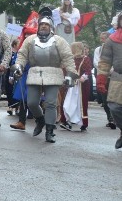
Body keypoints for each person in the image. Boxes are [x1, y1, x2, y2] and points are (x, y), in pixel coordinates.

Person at [13, 8, 77, 144]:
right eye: (41, 24)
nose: (43, 26)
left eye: (46, 25)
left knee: (51, 103)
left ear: (51, 27)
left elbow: (68, 58)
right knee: (31, 102)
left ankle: (49, 130)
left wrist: (71, 74)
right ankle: (40, 119)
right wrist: (18, 66)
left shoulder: (59, 41)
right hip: (35, 73)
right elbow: (22, 55)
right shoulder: (30, 40)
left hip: (53, 73)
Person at [96, 13, 122, 149]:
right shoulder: (112, 39)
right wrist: (101, 80)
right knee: (114, 107)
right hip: (118, 76)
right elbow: (105, 62)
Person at [59, 41, 92, 131]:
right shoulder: (71, 59)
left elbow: (88, 71)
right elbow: (64, 70)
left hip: (81, 86)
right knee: (67, 103)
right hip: (70, 85)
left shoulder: (86, 59)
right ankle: (65, 121)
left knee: (80, 104)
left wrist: (83, 77)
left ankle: (83, 123)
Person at [94, 31, 114, 129]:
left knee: (114, 98)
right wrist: (105, 70)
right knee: (105, 99)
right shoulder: (98, 49)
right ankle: (110, 118)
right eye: (101, 38)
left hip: (113, 76)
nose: (102, 41)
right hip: (103, 76)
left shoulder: (114, 47)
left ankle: (115, 118)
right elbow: (96, 61)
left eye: (104, 38)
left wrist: (111, 70)